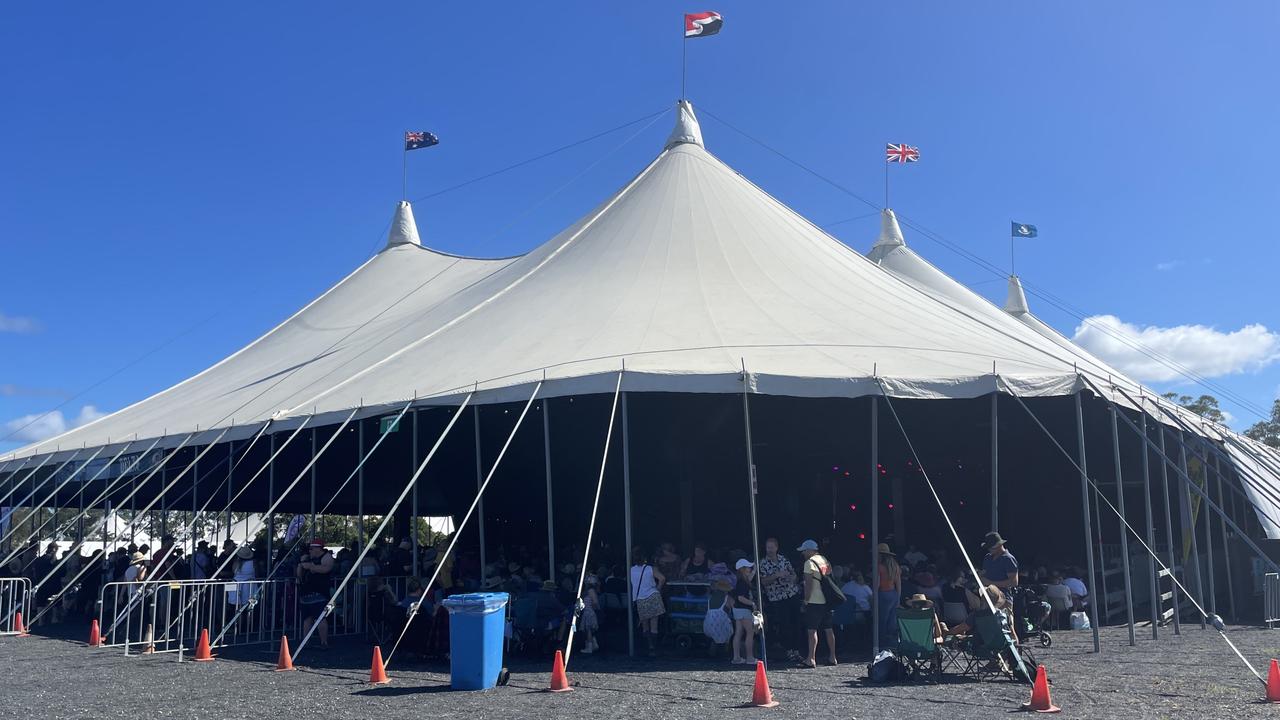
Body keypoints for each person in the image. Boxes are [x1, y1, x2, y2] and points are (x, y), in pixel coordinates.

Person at [797, 539, 837, 668]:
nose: (803, 553)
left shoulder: (809, 563)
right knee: (829, 629)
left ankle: (811, 658)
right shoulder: (824, 560)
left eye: (804, 551)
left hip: (815, 601)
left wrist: (806, 600)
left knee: (812, 630)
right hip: (827, 600)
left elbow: (808, 584)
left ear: (810, 550)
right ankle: (833, 657)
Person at [758, 537, 799, 657]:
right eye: (767, 548)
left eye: (771, 547)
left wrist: (792, 578)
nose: (769, 550)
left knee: (796, 622)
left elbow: (794, 574)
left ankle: (796, 649)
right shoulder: (763, 563)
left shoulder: (783, 559)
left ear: (776, 547)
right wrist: (776, 575)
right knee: (784, 624)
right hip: (777, 598)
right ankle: (788, 650)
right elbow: (763, 581)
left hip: (791, 593)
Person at [297, 539, 334, 649]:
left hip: (320, 593)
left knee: (320, 618)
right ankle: (305, 642)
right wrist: (301, 564)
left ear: (318, 548)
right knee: (307, 618)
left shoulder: (327, 557)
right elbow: (299, 575)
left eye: (312, 548)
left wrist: (311, 567)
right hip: (305, 592)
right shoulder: (307, 558)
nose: (310, 551)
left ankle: (324, 642)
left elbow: (326, 569)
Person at [630, 546, 666, 657]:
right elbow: (662, 578)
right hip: (653, 596)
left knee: (645, 625)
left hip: (640, 599)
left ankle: (649, 645)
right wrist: (658, 589)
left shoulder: (631, 570)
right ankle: (654, 649)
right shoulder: (651, 569)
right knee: (654, 625)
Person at [730, 559, 758, 665]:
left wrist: (754, 569)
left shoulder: (741, 580)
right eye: (748, 567)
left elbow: (750, 578)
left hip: (737, 609)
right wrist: (752, 603)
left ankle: (736, 657)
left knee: (738, 632)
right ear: (742, 569)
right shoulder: (743, 582)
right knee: (750, 632)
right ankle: (750, 657)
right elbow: (741, 598)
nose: (749, 569)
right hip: (743, 609)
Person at [876, 543, 902, 645]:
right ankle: (892, 643)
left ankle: (881, 644)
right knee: (892, 622)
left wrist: (873, 596)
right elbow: (898, 584)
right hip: (893, 594)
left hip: (883, 594)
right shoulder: (895, 567)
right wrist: (898, 598)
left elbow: (877, 584)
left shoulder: (879, 567)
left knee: (882, 621)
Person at [579, 574, 601, 654]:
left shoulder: (590, 591)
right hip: (588, 611)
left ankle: (589, 647)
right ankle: (594, 644)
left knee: (588, 630)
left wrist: (594, 609)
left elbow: (595, 602)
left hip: (589, 612)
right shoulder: (590, 591)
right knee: (589, 630)